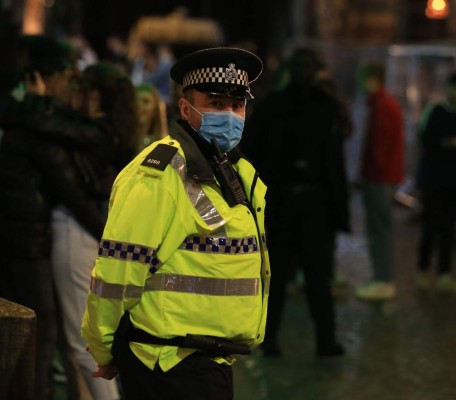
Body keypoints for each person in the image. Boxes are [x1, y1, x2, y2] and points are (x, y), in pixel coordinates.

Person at [81, 47, 270, 400]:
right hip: (168, 364)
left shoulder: (234, 171)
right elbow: (117, 271)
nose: (229, 115)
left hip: (208, 361)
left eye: (237, 106)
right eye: (215, 104)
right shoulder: (157, 175)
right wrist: (105, 347)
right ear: (186, 108)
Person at [23, 62, 137, 399]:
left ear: (92, 95)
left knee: (81, 338)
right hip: (91, 231)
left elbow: (45, 132)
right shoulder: (112, 130)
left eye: (77, 87)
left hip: (78, 232)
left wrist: (36, 101)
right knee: (85, 336)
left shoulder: (91, 132)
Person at [242, 47, 349, 357]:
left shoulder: (311, 107)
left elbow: (334, 161)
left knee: (308, 276)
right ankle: (280, 337)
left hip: (299, 203)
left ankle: (310, 338)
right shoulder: (288, 107)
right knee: (294, 275)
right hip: (289, 202)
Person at [0, 34, 77, 400]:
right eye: (69, 75)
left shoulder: (23, 110)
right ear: (51, 76)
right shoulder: (33, 117)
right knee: (38, 330)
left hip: (21, 237)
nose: (72, 85)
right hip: (27, 240)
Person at [415, 71, 456, 294]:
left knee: (449, 229)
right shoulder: (436, 109)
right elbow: (425, 139)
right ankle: (423, 269)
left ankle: (445, 274)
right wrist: (450, 142)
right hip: (435, 179)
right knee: (430, 226)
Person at [354, 62, 405, 301]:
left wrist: (368, 174)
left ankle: (383, 279)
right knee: (380, 229)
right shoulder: (385, 104)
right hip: (382, 177)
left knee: (379, 230)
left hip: (378, 178)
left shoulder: (382, 106)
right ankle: (382, 278)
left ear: (372, 79)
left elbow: (379, 149)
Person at [135, 82, 168, 152]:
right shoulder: (123, 143)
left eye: (145, 101)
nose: (139, 105)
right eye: (135, 101)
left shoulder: (163, 145)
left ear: (155, 110)